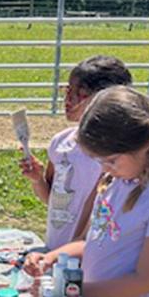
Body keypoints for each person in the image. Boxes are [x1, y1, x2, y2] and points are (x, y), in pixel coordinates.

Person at [24, 86, 149, 297]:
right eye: (99, 160)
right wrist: (52, 257)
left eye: (110, 160)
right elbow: (89, 242)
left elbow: (145, 281)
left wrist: (71, 293)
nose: (103, 168)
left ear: (145, 144)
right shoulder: (114, 179)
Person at [20, 55, 133, 251]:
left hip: (91, 255)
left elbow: (104, 210)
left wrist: (75, 248)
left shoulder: (114, 154)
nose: (67, 100)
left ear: (105, 99)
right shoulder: (60, 143)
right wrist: (38, 180)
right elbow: (56, 202)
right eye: (67, 91)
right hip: (56, 250)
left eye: (78, 94)